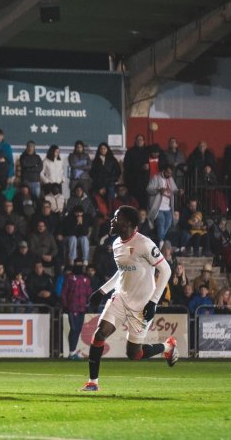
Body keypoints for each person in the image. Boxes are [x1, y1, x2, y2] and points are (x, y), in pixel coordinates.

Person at [82, 205, 177, 392]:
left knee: (134, 354)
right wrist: (102, 291)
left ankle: (168, 346)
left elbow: (165, 270)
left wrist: (153, 301)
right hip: (121, 297)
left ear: (128, 223)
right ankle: (93, 382)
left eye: (116, 218)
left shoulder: (144, 244)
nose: (112, 220)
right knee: (99, 334)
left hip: (143, 304)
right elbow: (122, 271)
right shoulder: (117, 243)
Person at [61, 265, 92, 360]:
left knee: (77, 330)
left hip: (82, 308)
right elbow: (64, 292)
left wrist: (88, 304)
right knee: (74, 329)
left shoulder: (85, 279)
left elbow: (89, 293)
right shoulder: (70, 278)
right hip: (73, 307)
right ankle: (72, 352)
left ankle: (72, 352)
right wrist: (65, 305)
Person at [147, 164, 177, 245]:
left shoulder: (170, 179)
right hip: (158, 207)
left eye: (171, 173)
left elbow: (174, 190)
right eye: (168, 172)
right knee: (161, 221)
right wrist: (158, 190)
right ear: (163, 170)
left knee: (168, 222)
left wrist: (178, 191)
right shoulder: (156, 178)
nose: (169, 175)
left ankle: (161, 239)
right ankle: (161, 242)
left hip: (167, 207)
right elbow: (148, 189)